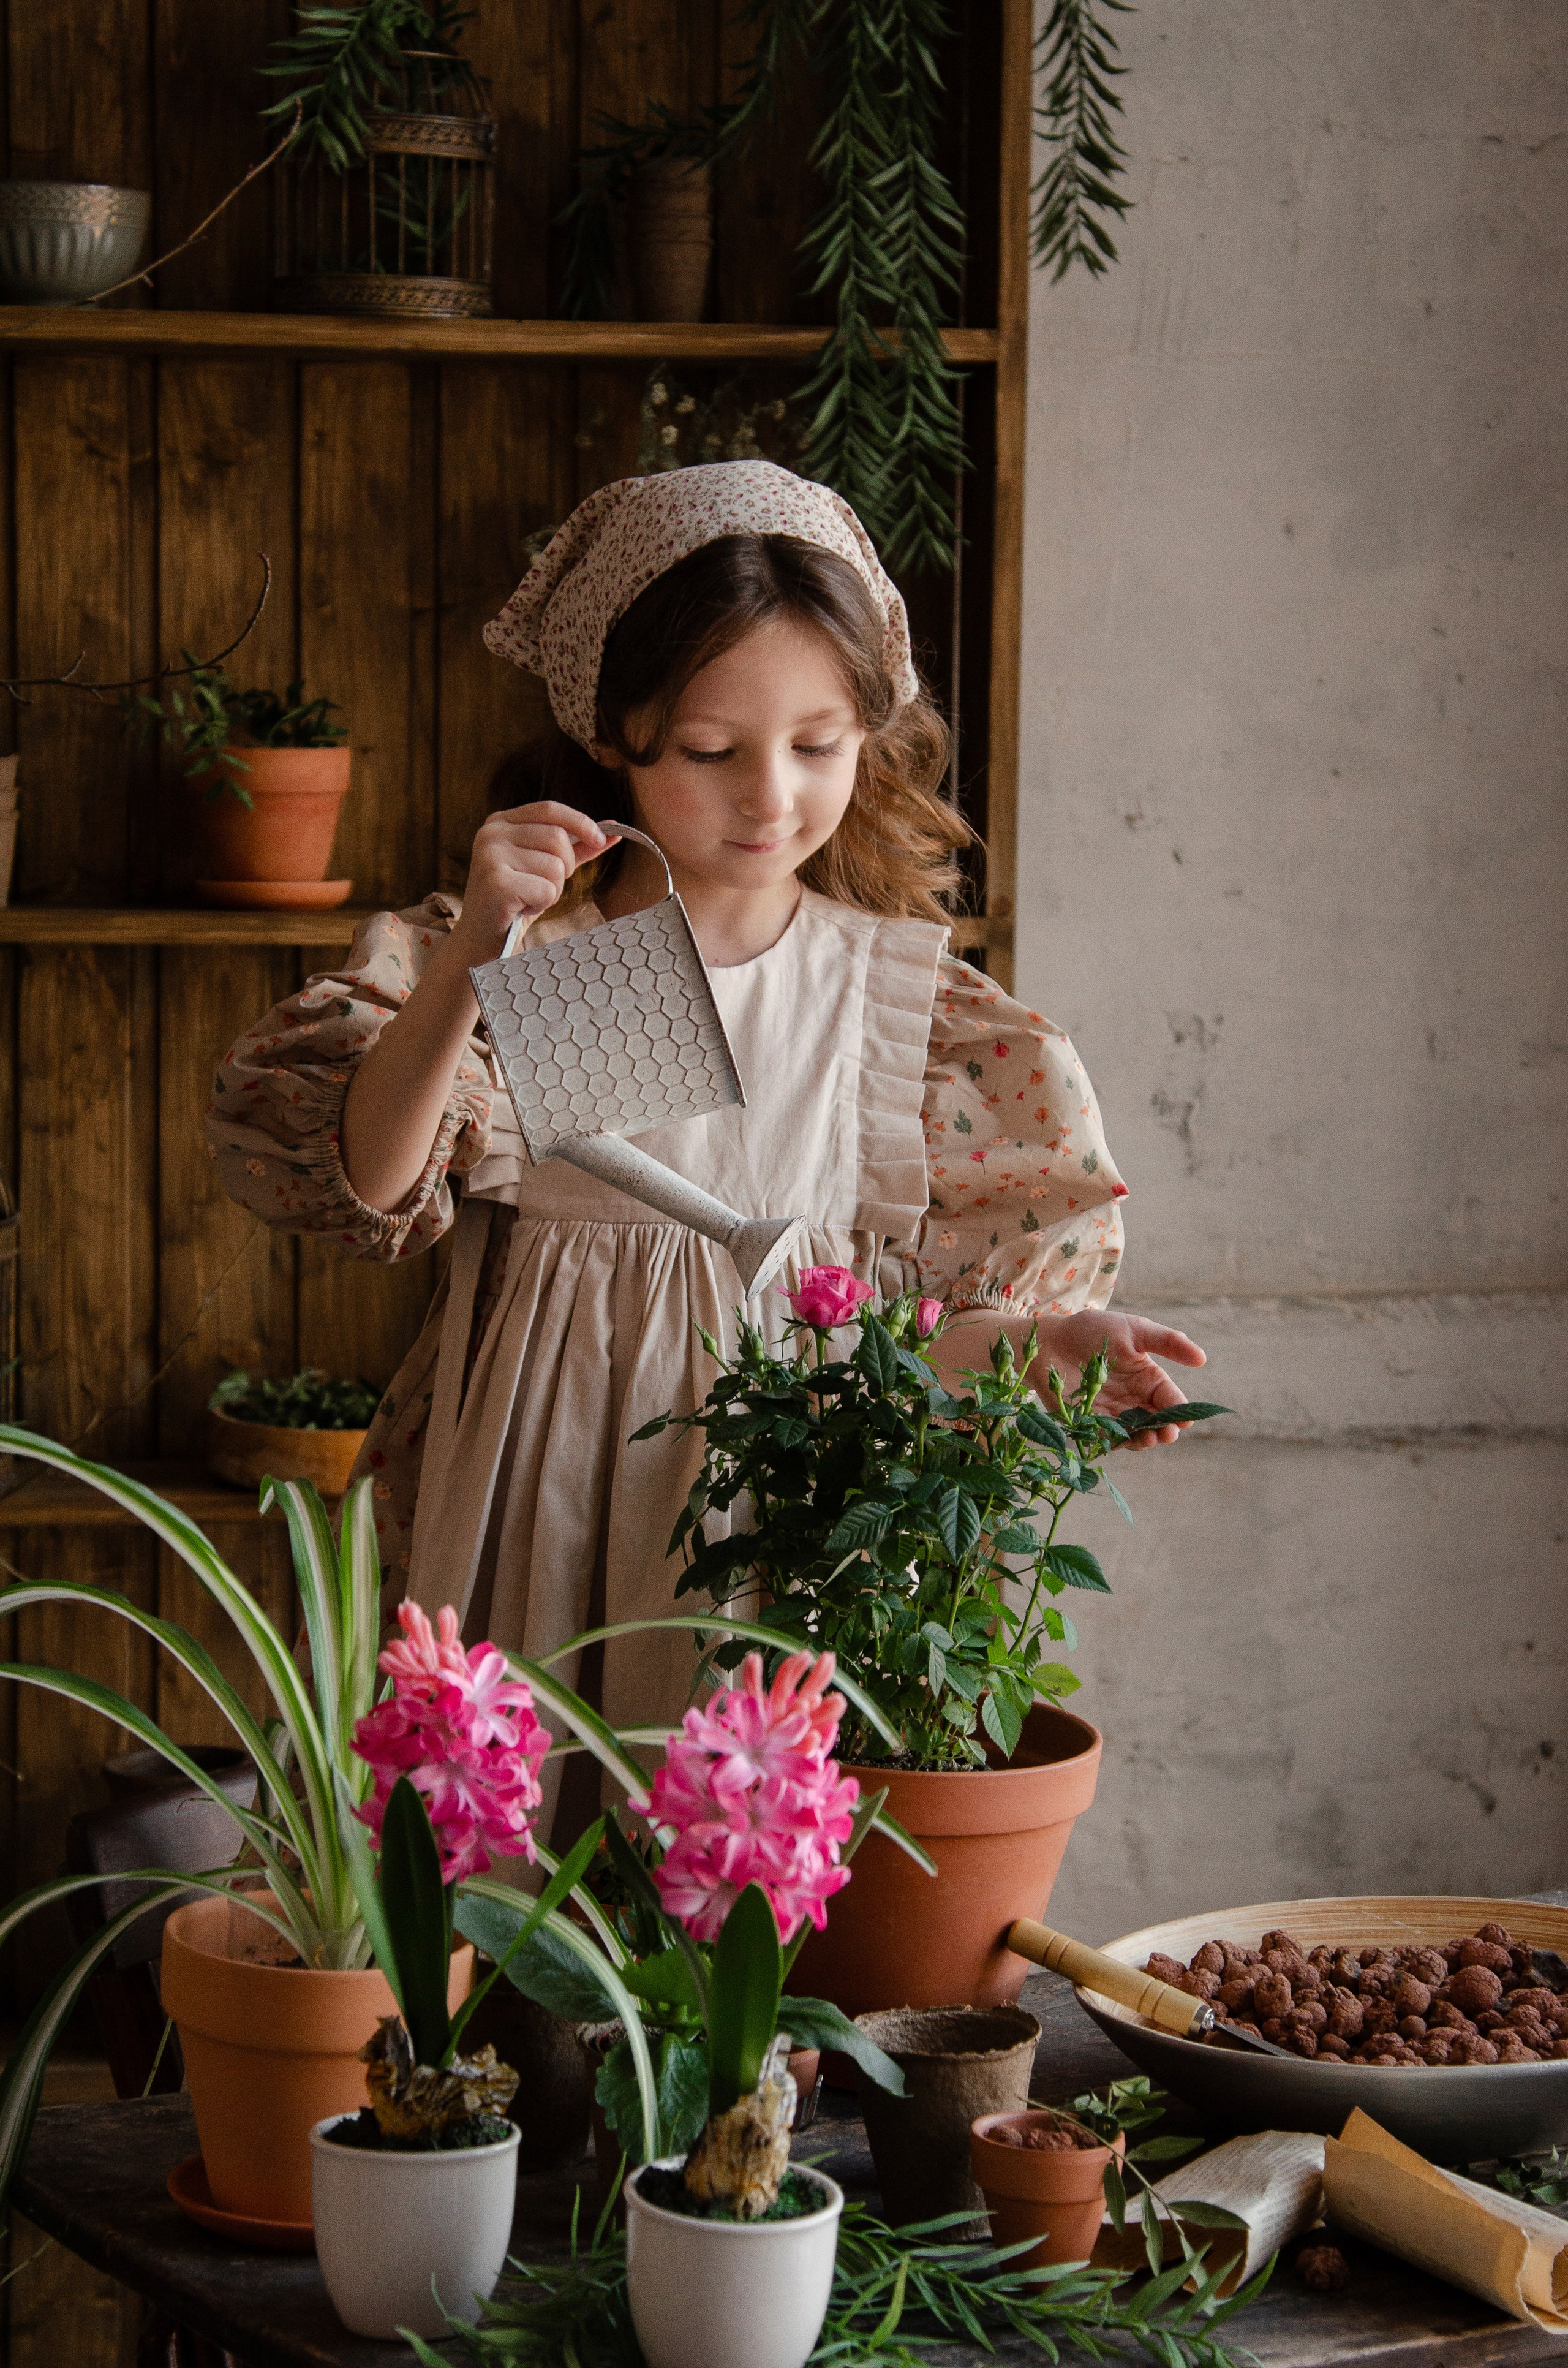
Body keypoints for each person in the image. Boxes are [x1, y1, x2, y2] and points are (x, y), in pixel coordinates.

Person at [206, 460, 1204, 1813]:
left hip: (778, 1523)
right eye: (709, 750)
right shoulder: (563, 957)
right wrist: (469, 961)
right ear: (612, 730)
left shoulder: (896, 1006)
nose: (771, 799)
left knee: (733, 1879)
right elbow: (371, 1179)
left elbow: (858, 1333)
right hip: (532, 1508)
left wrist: (1043, 1344)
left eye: (819, 744)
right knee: (508, 1875)